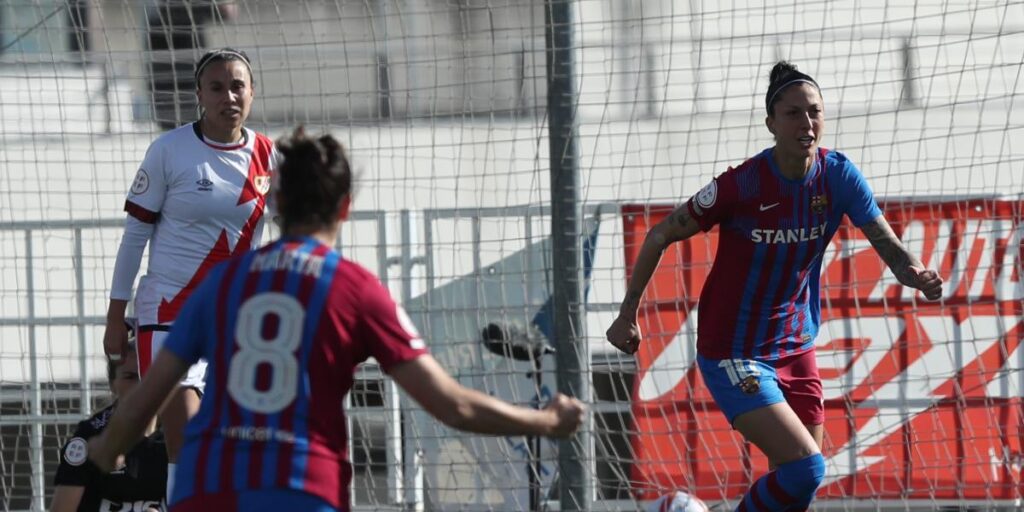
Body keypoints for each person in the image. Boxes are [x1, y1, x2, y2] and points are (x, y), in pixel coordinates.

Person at [88, 128, 586, 512]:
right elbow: (452, 406)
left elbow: (141, 405)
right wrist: (545, 420)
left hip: (209, 489)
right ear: (346, 207)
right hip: (299, 489)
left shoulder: (220, 286)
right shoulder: (355, 290)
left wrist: (105, 453)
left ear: (274, 203)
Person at [606, 61, 943, 512]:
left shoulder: (839, 176)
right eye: (793, 113)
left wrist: (918, 274)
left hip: (796, 347)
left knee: (797, 488)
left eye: (815, 111)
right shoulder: (742, 184)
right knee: (807, 468)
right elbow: (659, 234)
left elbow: (892, 250)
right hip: (734, 351)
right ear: (771, 123)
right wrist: (628, 313)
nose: (807, 123)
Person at [102, 47, 278, 502]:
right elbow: (135, 235)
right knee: (186, 435)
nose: (228, 96)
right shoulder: (169, 150)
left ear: (252, 93)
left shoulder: (268, 156)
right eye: (216, 87)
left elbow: (294, 237)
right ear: (199, 94)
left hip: (232, 322)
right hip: (167, 315)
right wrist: (114, 315)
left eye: (237, 86)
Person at [52, 338, 167, 512]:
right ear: (113, 384)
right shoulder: (89, 437)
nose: (141, 385)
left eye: (147, 375)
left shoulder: (177, 435)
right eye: (130, 377)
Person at [146, 0, 239, 130]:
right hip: (171, 76)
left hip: (185, 75)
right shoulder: (164, 15)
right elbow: (227, 11)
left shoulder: (192, 8)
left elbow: (227, 12)